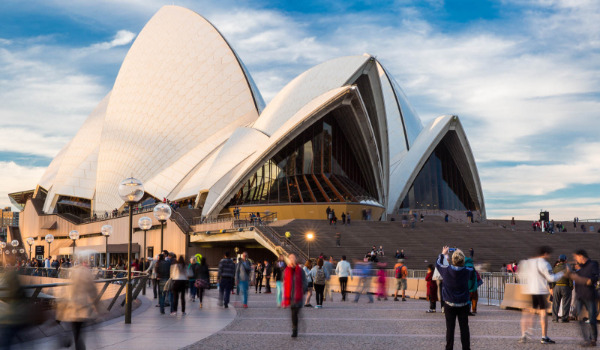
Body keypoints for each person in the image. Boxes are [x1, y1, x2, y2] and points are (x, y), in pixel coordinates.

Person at [518, 246, 564, 344]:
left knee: (527, 312)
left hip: (528, 290)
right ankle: (544, 337)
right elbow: (551, 278)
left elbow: (520, 275)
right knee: (543, 313)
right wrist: (563, 273)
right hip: (540, 290)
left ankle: (524, 334)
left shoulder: (527, 262)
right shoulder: (544, 264)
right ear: (545, 254)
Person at [55, 262, 99, 350]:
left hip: (72, 311)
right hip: (83, 311)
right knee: (79, 333)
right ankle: (79, 346)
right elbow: (93, 292)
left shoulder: (71, 278)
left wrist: (59, 316)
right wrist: (99, 309)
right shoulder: (86, 276)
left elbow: (64, 297)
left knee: (75, 331)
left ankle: (75, 344)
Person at [436, 246, 473, 350]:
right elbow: (471, 266)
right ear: (463, 260)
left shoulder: (446, 271)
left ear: (452, 260)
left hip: (449, 304)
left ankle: (449, 348)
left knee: (450, 329)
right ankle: (466, 348)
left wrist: (443, 253)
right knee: (464, 328)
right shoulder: (467, 271)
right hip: (463, 304)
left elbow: (438, 263)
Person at [565, 249, 599, 347]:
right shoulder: (579, 267)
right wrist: (569, 273)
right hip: (579, 296)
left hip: (589, 295)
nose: (575, 259)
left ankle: (593, 339)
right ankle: (586, 339)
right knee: (580, 319)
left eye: (576, 257)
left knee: (592, 319)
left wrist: (591, 280)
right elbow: (573, 277)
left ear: (581, 256)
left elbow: (595, 276)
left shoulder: (593, 264)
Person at [283, 254, 307, 338]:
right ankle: (295, 329)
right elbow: (285, 282)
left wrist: (303, 289)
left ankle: (295, 327)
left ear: (295, 259)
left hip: (298, 295)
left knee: (295, 312)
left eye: (293, 258)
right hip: (290, 296)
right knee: (293, 313)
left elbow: (304, 281)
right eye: (290, 258)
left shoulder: (300, 270)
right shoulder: (286, 270)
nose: (292, 259)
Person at [551, 254, 572, 323]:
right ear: (565, 260)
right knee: (566, 303)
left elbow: (552, 278)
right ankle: (564, 318)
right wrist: (571, 287)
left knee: (555, 303)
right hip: (566, 286)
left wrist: (552, 287)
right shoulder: (567, 268)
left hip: (557, 286)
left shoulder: (555, 268)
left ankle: (555, 318)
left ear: (559, 260)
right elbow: (570, 279)